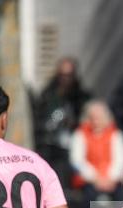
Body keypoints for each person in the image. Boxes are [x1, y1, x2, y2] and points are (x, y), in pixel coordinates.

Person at [33, 57, 91, 195]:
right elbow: (39, 122)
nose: (65, 79)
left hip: (74, 149)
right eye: (62, 75)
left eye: (69, 75)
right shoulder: (47, 95)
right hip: (50, 149)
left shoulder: (82, 97)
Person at [68, 99, 123, 208]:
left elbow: (121, 159)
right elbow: (77, 160)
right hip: (89, 181)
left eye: (99, 118)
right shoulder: (80, 134)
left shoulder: (116, 134)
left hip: (112, 180)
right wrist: (95, 178)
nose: (96, 121)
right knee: (88, 199)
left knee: (120, 196)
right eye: (93, 118)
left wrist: (110, 178)